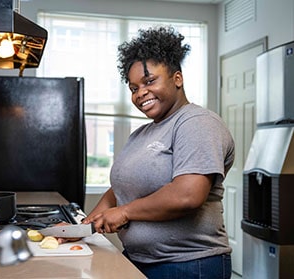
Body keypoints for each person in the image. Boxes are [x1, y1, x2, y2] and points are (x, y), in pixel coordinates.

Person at [82, 26, 235, 279]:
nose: (140, 93)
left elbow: (187, 194)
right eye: (133, 88)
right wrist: (81, 229)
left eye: (149, 81)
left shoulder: (197, 122)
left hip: (188, 265)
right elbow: (119, 190)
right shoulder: (142, 133)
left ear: (177, 78)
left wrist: (124, 212)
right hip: (139, 260)